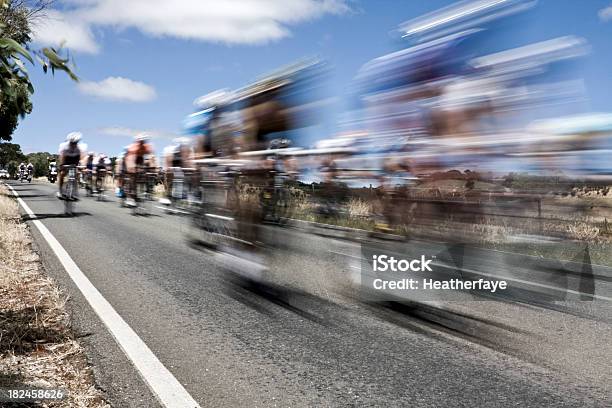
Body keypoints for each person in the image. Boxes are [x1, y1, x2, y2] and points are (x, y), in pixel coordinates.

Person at [124, 133, 155, 207]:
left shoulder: (147, 146)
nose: (141, 143)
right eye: (140, 141)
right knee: (133, 175)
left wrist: (153, 168)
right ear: (137, 141)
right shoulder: (133, 147)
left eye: (143, 141)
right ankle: (130, 196)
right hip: (131, 158)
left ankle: (145, 189)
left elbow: (152, 157)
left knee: (144, 172)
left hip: (140, 159)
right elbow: (130, 159)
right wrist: (131, 167)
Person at [57, 132, 86, 199]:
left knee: (76, 174)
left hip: (75, 158)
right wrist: (62, 165)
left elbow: (82, 158)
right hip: (66, 158)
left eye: (75, 143)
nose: (73, 144)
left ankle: (75, 192)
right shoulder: (64, 146)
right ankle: (60, 191)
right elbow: (62, 157)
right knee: (62, 174)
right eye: (72, 143)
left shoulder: (81, 147)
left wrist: (82, 166)